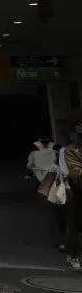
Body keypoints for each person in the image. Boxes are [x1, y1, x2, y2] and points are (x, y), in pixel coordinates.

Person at [64, 110, 82, 271]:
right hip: (79, 195)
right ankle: (73, 254)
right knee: (76, 224)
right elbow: (77, 176)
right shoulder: (71, 150)